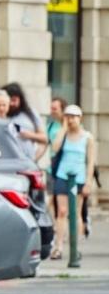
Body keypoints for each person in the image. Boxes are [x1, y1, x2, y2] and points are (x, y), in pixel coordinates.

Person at [49, 105, 95, 260]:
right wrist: (63, 129)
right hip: (63, 175)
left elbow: (90, 162)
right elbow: (54, 148)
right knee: (62, 211)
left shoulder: (87, 137)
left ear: (80, 118)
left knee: (76, 213)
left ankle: (75, 248)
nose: (71, 120)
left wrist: (88, 182)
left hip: (79, 178)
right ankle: (58, 247)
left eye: (74, 117)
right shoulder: (63, 134)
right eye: (68, 116)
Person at [2, 82, 47, 161]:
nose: (12, 104)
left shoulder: (30, 113)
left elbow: (44, 138)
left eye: (14, 100)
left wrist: (30, 135)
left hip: (27, 161)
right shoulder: (1, 115)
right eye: (9, 101)